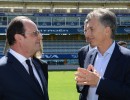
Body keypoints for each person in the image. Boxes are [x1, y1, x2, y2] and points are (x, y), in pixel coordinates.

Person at [75, 8, 130, 100]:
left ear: (107, 31)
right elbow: (82, 90)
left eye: (92, 29)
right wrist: (81, 83)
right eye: (86, 30)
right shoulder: (88, 54)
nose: (87, 34)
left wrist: (99, 82)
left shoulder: (127, 58)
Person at [0, 16, 49, 100]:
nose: (40, 37)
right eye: (35, 33)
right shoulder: (2, 70)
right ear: (19, 38)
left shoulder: (41, 66)